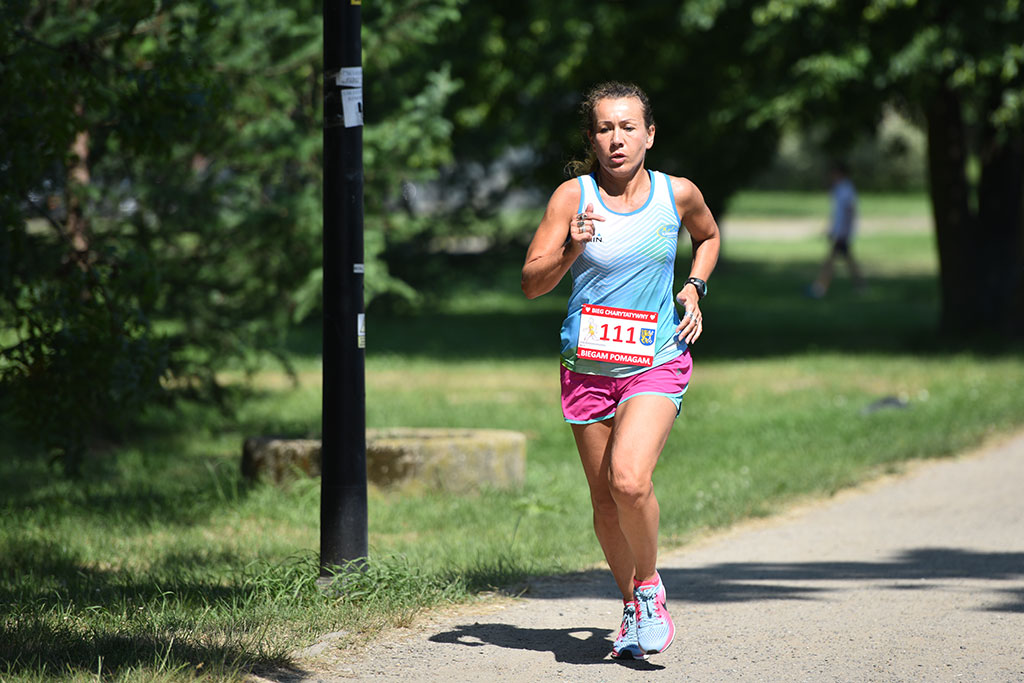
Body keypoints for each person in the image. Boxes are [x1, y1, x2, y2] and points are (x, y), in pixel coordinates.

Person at [521, 82, 720, 660]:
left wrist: (693, 286)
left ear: (649, 135)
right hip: (586, 366)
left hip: (656, 358)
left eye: (628, 127)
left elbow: (707, 237)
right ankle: (632, 605)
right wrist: (571, 249)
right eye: (605, 128)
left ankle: (650, 588)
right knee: (605, 500)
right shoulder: (571, 198)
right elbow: (532, 283)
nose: (617, 139)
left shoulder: (676, 194)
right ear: (592, 138)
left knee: (629, 480)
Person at [808, 161, 864, 298]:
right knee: (848, 260)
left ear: (840, 173)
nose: (831, 175)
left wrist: (843, 231)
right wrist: (831, 228)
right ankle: (861, 286)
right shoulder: (839, 189)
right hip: (839, 231)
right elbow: (837, 213)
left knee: (830, 260)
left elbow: (849, 210)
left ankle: (820, 288)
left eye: (834, 172)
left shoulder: (846, 189)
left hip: (842, 233)